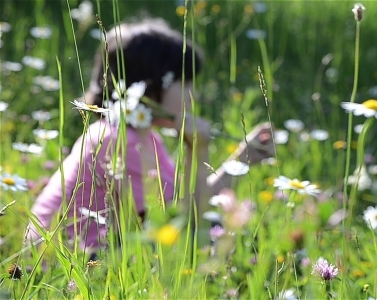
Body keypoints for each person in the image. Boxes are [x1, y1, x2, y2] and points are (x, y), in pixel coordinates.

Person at [26, 19, 274, 258]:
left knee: (212, 229)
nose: (194, 94)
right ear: (149, 88)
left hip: (98, 251)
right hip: (76, 260)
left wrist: (242, 159)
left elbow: (191, 201)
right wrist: (198, 149)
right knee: (210, 235)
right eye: (185, 83)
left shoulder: (144, 137)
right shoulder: (118, 141)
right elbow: (187, 217)